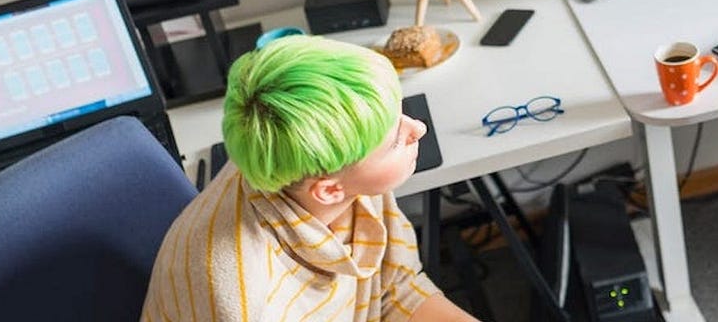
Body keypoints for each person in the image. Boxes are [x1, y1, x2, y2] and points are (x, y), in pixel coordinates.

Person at [141, 36, 476, 321]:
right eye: (394, 142)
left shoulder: (305, 157)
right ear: (329, 191)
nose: (418, 129)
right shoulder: (235, 290)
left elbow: (396, 289)